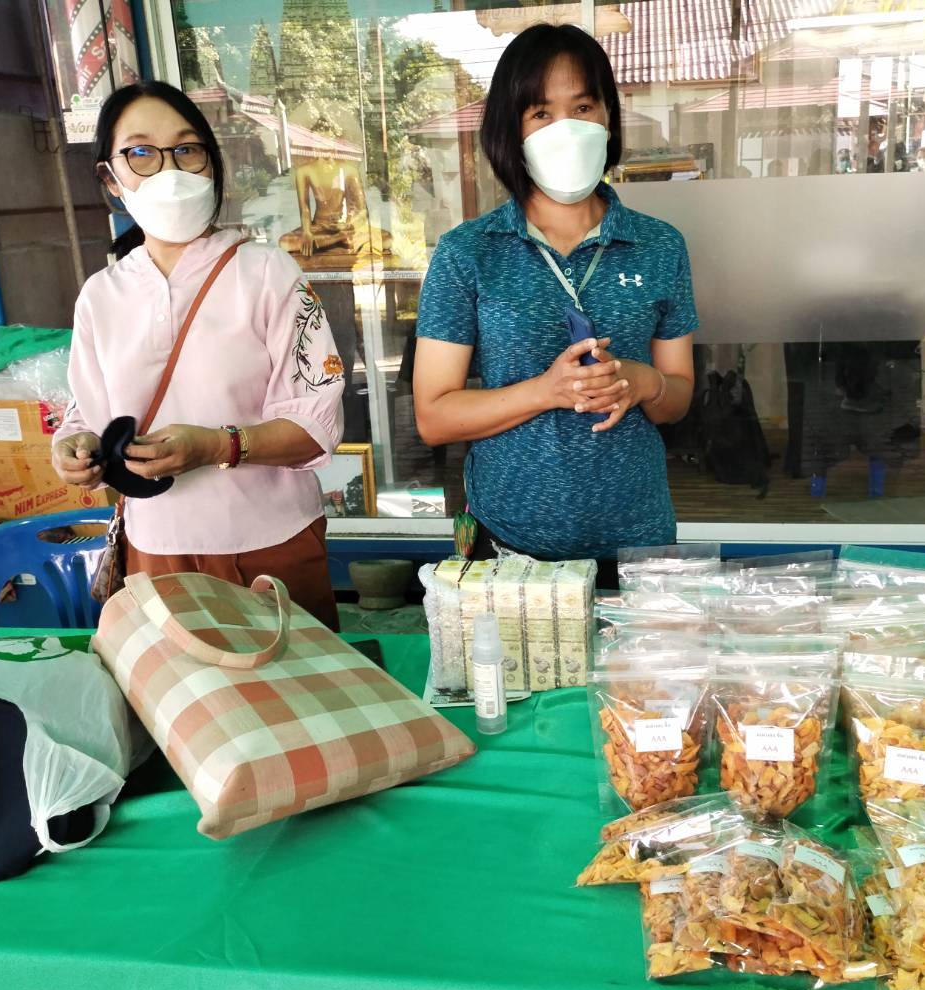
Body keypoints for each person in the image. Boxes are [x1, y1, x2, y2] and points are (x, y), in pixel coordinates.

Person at [49, 80, 344, 629]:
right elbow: (86, 414)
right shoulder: (101, 295)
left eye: (187, 149)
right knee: (182, 707)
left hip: (272, 543)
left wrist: (217, 446)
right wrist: (74, 449)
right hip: (157, 549)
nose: (170, 169)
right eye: (141, 152)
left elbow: (317, 422)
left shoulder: (266, 273)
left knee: (292, 703)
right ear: (110, 179)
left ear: (210, 164)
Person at [412, 24, 698, 583]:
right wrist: (547, 391)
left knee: (635, 675)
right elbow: (434, 417)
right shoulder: (467, 252)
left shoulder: (661, 245)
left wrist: (644, 382)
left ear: (609, 118)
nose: (566, 128)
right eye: (541, 113)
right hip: (507, 544)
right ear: (511, 130)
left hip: (640, 544)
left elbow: (678, 398)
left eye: (584, 106)